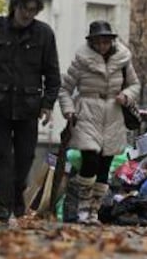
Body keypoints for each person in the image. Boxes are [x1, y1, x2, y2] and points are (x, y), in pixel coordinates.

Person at [0, 0, 61, 222]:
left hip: (29, 107)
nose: (28, 15)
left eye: (33, 10)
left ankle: (17, 196)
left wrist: (48, 104)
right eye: (24, 9)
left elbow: (52, 73)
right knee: (2, 156)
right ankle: (3, 206)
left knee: (25, 157)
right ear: (14, 7)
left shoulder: (44, 34)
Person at [58, 20, 141, 225]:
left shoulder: (123, 60)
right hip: (87, 112)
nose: (102, 45)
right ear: (91, 42)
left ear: (112, 41)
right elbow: (64, 90)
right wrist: (68, 111)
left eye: (106, 41)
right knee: (90, 161)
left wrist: (126, 95)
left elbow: (135, 85)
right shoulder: (81, 60)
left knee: (104, 167)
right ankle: (83, 209)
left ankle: (93, 212)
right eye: (98, 41)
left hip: (113, 115)